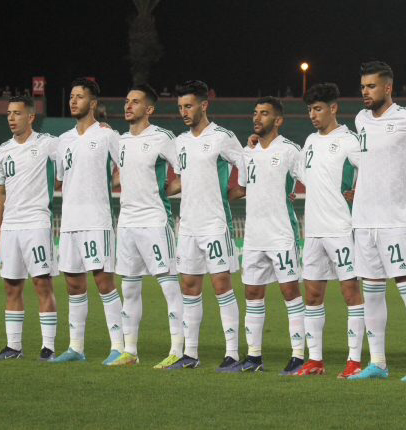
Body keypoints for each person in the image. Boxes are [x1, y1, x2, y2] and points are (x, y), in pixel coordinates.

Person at [348, 61, 406, 382]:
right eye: (363, 87)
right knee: (372, 292)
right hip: (364, 221)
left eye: (371, 86)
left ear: (387, 87)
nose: (365, 92)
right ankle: (378, 363)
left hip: (397, 221)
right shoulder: (360, 119)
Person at [165, 80, 243, 371]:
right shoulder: (181, 142)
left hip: (215, 223)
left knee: (221, 285)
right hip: (188, 224)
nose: (184, 112)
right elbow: (181, 179)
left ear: (204, 105)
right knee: (189, 287)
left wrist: (237, 191)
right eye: (180, 107)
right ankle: (191, 354)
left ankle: (232, 354)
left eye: (188, 106)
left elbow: (247, 165)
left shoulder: (222, 137)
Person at [106, 84, 184, 368]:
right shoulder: (121, 141)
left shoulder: (163, 137)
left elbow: (186, 171)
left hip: (154, 221)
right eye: (127, 101)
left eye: (135, 102)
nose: (128, 106)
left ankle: (178, 350)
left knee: (169, 287)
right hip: (127, 223)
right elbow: (122, 176)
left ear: (149, 109)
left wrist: (166, 191)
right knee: (129, 289)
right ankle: (130, 352)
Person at [230, 97, 306, 375]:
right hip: (253, 236)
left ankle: (298, 356)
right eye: (255, 113)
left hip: (281, 233)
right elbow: (240, 188)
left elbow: (311, 180)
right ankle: (254, 357)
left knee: (290, 292)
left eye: (264, 113)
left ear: (278, 120)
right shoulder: (247, 152)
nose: (257, 118)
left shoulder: (290, 150)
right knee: (252, 293)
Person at [293, 83, 365, 378]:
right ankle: (315, 360)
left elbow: (370, 171)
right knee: (312, 295)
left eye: (318, 109)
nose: (313, 115)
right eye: (310, 109)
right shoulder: (310, 141)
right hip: (313, 231)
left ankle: (354, 361)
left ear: (333, 108)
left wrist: (359, 192)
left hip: (341, 228)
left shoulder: (350, 140)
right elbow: (301, 173)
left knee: (351, 293)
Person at [52, 78, 123, 364]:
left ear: (92, 103)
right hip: (70, 222)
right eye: (71, 96)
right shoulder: (63, 140)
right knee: (73, 285)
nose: (73, 101)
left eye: (79, 96)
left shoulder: (107, 135)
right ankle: (76, 348)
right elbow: (60, 180)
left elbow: (126, 167)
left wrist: (109, 184)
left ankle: (119, 347)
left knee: (104, 282)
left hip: (97, 220)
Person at [0, 96, 59, 361]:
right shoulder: (3, 150)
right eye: (9, 113)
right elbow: (0, 191)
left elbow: (74, 149)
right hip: (10, 227)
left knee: (42, 284)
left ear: (30, 117)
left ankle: (48, 347)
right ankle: (14, 347)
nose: (11, 118)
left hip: (36, 224)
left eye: (17, 113)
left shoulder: (47, 143)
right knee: (11, 286)